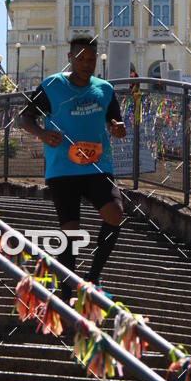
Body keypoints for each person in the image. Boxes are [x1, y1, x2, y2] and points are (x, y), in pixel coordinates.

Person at [20, 36, 126, 302]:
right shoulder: (53, 85)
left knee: (114, 213)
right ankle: (67, 290)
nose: (86, 64)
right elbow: (25, 117)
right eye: (81, 59)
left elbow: (116, 122)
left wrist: (118, 128)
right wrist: (42, 134)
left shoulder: (105, 89)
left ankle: (93, 277)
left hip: (97, 166)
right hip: (63, 169)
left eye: (91, 60)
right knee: (70, 230)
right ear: (70, 58)